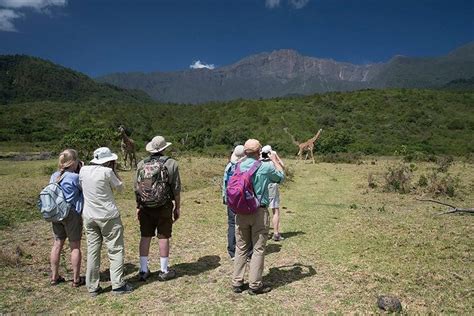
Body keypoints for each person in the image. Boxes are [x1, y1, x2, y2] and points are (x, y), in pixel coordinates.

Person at [232, 139, 285, 295]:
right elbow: (281, 177)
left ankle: (237, 282)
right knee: (258, 249)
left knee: (241, 247)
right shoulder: (265, 167)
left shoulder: (238, 165)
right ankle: (255, 285)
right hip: (258, 212)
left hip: (240, 211)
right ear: (259, 151)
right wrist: (274, 160)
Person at [79, 147, 133, 296]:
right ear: (109, 161)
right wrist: (115, 171)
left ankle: (92, 287)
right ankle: (117, 284)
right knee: (115, 249)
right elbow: (120, 188)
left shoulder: (83, 171)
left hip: (89, 216)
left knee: (93, 251)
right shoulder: (107, 172)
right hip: (108, 216)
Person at [134, 136, 181, 282]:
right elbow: (176, 188)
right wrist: (177, 207)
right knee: (163, 236)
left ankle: (143, 270)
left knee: (145, 236)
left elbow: (137, 187)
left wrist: (138, 206)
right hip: (164, 205)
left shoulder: (142, 164)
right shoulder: (171, 163)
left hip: (145, 206)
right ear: (164, 148)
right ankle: (164, 270)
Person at [49, 149, 85, 287]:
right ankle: (76, 279)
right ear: (74, 162)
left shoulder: (54, 176)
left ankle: (54, 276)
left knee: (57, 243)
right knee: (75, 246)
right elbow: (83, 191)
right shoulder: (75, 177)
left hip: (56, 213)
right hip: (71, 213)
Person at [222, 145, 245, 260]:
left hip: (231, 200)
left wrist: (225, 199)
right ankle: (244, 250)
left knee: (231, 224)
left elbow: (224, 184)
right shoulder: (246, 167)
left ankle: (232, 251)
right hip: (242, 201)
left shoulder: (229, 167)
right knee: (244, 224)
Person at [261, 145, 285, 241]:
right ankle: (276, 233)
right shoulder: (272, 164)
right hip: (272, 188)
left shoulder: (259, 162)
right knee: (275, 210)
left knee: (262, 210)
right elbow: (282, 167)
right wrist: (276, 158)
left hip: (261, 188)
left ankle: (262, 232)